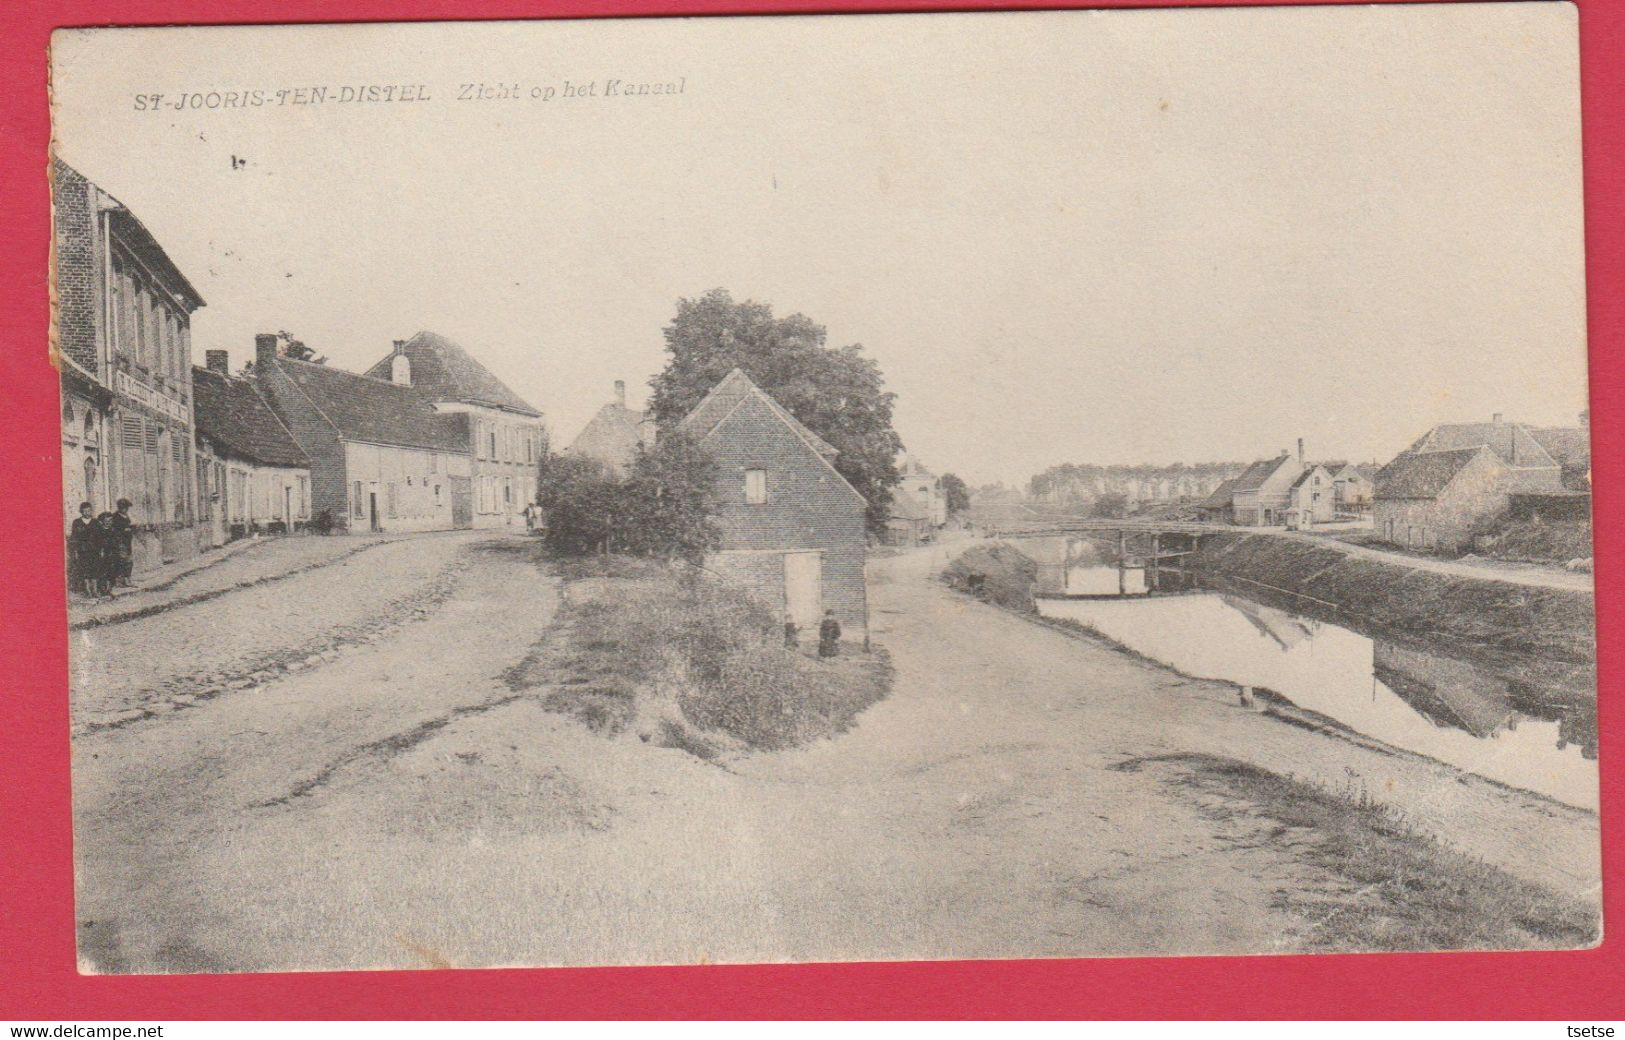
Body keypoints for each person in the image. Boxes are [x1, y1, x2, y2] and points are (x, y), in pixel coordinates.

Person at [68, 502, 96, 597]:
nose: (87, 513)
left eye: (89, 510)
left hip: (94, 550)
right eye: (85, 511)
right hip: (82, 550)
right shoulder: (77, 522)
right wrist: (75, 550)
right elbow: (74, 537)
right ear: (81, 512)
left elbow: (99, 537)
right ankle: (88, 590)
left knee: (94, 569)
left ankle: (94, 590)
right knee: (84, 570)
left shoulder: (95, 522)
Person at [92, 511, 120, 597]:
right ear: (101, 522)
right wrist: (100, 550)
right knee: (101, 572)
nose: (109, 523)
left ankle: (108, 589)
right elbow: (95, 543)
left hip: (112, 554)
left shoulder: (113, 530)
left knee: (111, 572)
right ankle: (100, 590)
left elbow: (116, 542)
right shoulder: (98, 531)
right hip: (101, 554)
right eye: (106, 521)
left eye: (111, 521)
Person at [109, 498, 136, 587]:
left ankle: (127, 579)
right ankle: (119, 581)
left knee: (129, 561)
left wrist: (131, 528)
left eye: (126, 507)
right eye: (124, 507)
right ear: (120, 507)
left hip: (127, 542)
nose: (125, 509)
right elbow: (113, 530)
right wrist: (124, 530)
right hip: (119, 542)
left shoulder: (126, 516)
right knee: (121, 561)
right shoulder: (115, 517)